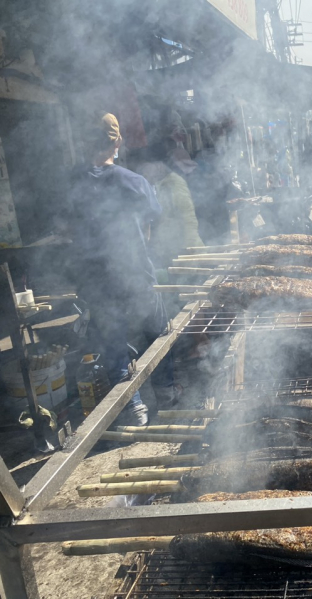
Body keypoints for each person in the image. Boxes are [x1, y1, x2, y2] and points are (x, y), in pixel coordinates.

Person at [65, 113, 176, 425]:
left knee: (114, 341)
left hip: (94, 277)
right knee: (158, 331)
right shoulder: (133, 182)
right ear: (117, 141)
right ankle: (166, 392)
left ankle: (134, 408)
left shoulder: (72, 184)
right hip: (135, 270)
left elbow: (67, 226)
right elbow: (155, 218)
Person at [136, 150, 204, 270]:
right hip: (171, 253)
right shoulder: (159, 185)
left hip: (188, 255)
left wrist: (189, 249)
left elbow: (189, 218)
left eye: (145, 170)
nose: (144, 175)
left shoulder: (174, 183)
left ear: (158, 165)